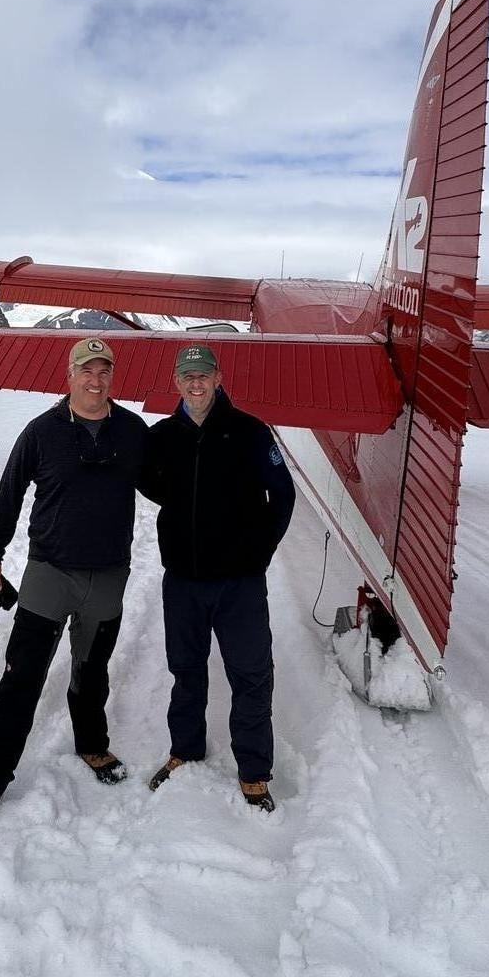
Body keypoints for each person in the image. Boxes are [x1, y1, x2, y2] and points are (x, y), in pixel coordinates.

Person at [0, 338, 147, 827]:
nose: (95, 380)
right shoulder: (41, 432)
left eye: (103, 371)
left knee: (91, 669)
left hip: (107, 573)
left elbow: (170, 483)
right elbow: (9, 493)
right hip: (49, 573)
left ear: (111, 377)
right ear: (69, 375)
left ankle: (92, 746)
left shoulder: (133, 431)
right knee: (22, 677)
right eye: (86, 371)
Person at [140, 342, 295, 812]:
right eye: (187, 376)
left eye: (203, 374)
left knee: (250, 675)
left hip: (239, 584)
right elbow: (147, 480)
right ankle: (185, 750)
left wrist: (259, 552)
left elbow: (282, 494)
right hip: (183, 582)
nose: (196, 383)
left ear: (218, 377)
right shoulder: (163, 435)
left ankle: (253, 771)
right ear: (176, 382)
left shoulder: (250, 432)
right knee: (186, 671)